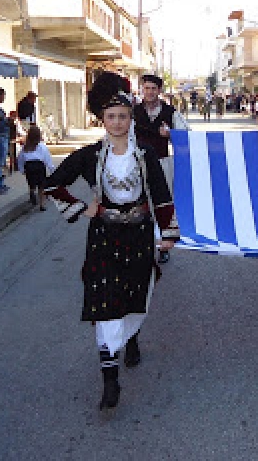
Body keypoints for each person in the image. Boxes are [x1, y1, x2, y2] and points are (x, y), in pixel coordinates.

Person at [43, 72, 179, 411]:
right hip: (103, 235)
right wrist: (81, 207)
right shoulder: (89, 155)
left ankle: (131, 338)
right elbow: (52, 184)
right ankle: (109, 379)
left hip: (139, 234)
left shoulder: (145, 154)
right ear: (102, 120)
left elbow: (161, 197)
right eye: (111, 117)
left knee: (134, 293)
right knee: (105, 301)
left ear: (130, 119)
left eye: (122, 116)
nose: (117, 122)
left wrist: (169, 235)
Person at [133, 74, 188, 263]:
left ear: (159, 91)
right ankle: (143, 244)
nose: (149, 92)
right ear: (142, 90)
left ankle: (164, 245)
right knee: (139, 205)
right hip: (137, 164)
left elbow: (185, 134)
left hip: (163, 163)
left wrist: (170, 133)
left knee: (163, 205)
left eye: (153, 89)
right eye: (146, 88)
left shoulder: (170, 112)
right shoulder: (133, 112)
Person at [18, 125, 55, 211]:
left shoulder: (25, 148)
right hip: (39, 166)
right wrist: (52, 169)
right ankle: (42, 205)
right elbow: (47, 159)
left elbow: (20, 159)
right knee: (41, 186)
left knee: (32, 183)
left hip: (29, 167)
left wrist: (22, 169)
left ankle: (31, 192)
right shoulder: (42, 146)